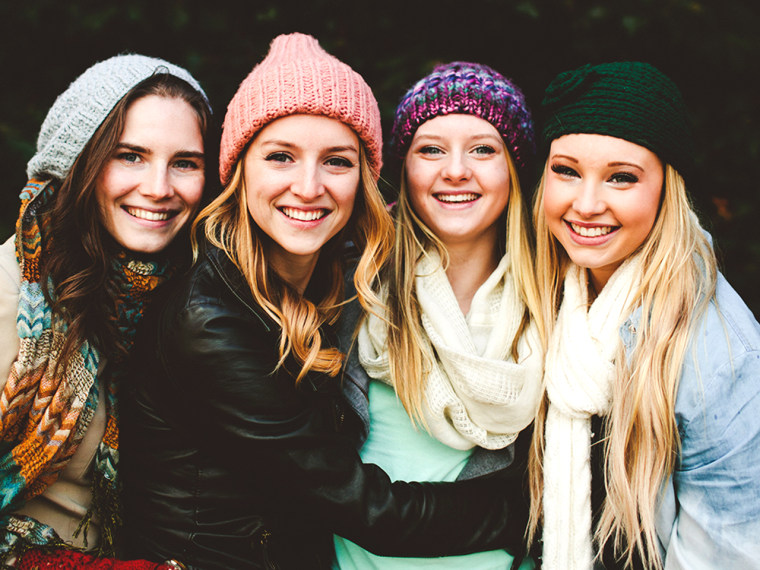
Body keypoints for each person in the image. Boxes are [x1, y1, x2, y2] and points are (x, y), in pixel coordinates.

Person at [120, 33, 530, 570]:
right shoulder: (210, 320)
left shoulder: (342, 281)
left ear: (364, 177)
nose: (309, 186)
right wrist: (534, 511)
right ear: (240, 171)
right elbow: (367, 510)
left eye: (336, 162)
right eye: (281, 157)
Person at [529, 61, 760, 569]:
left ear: (665, 190)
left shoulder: (716, 352)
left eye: (622, 178)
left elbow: (728, 555)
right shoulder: (543, 298)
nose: (586, 204)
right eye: (566, 170)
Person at [0, 54, 211, 566]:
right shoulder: (12, 294)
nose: (160, 188)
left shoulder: (191, 286)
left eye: (185, 162)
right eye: (130, 155)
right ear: (78, 163)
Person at [333, 61, 544, 569]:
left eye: (483, 149)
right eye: (431, 149)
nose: (455, 170)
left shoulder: (553, 303)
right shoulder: (350, 288)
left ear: (514, 169)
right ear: (403, 168)